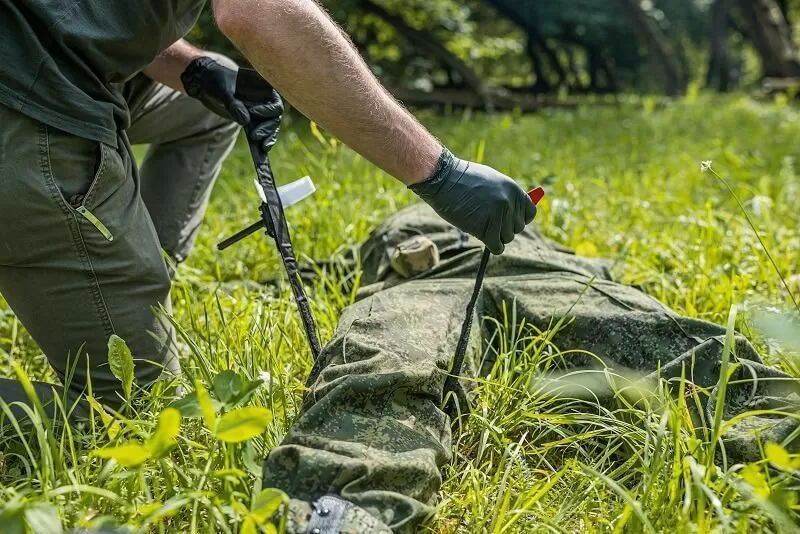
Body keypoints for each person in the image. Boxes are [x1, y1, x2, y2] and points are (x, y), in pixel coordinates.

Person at [0, 1, 536, 412]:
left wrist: (194, 69)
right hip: (28, 108)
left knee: (205, 105)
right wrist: (440, 173)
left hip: (43, 66)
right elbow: (259, 12)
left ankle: (120, 273)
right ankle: (95, 273)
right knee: (140, 411)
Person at [268, 203, 800, 532]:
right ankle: (339, 513)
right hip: (426, 284)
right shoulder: (388, 230)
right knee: (388, 360)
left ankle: (783, 444)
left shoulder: (537, 234)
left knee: (687, 356)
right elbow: (315, 269)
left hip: (546, 278)